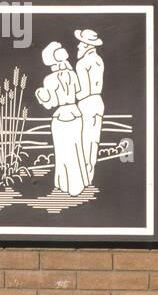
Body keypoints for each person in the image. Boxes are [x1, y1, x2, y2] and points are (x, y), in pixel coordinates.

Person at [34, 41, 87, 196]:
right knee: (76, 149)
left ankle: (64, 184)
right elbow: (78, 93)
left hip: (60, 116)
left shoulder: (49, 80)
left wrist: (40, 95)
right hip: (76, 114)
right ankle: (78, 184)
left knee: (63, 150)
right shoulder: (72, 74)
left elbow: (50, 104)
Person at [73, 29, 105, 185]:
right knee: (93, 142)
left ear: (87, 45)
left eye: (81, 43)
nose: (78, 46)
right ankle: (89, 177)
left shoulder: (82, 63)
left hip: (87, 103)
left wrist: (72, 94)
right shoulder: (99, 60)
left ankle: (84, 179)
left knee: (85, 141)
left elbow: (84, 91)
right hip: (98, 102)